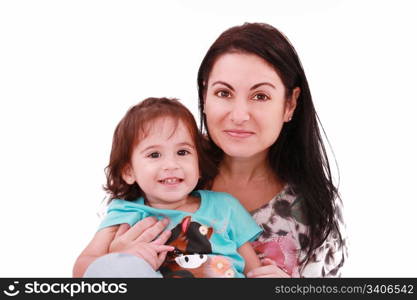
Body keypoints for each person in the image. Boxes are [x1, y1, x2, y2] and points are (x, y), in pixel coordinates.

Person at [78, 22, 347, 278]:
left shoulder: (314, 205)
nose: (239, 115)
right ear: (204, 96)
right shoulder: (156, 176)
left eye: (260, 96)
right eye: (223, 93)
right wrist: (116, 261)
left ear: (289, 104)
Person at [73, 97, 262, 278]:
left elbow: (255, 272)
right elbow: (82, 269)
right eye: (154, 155)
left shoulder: (225, 206)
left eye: (182, 152)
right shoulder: (126, 212)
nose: (171, 164)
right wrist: (120, 258)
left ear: (199, 164)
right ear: (129, 171)